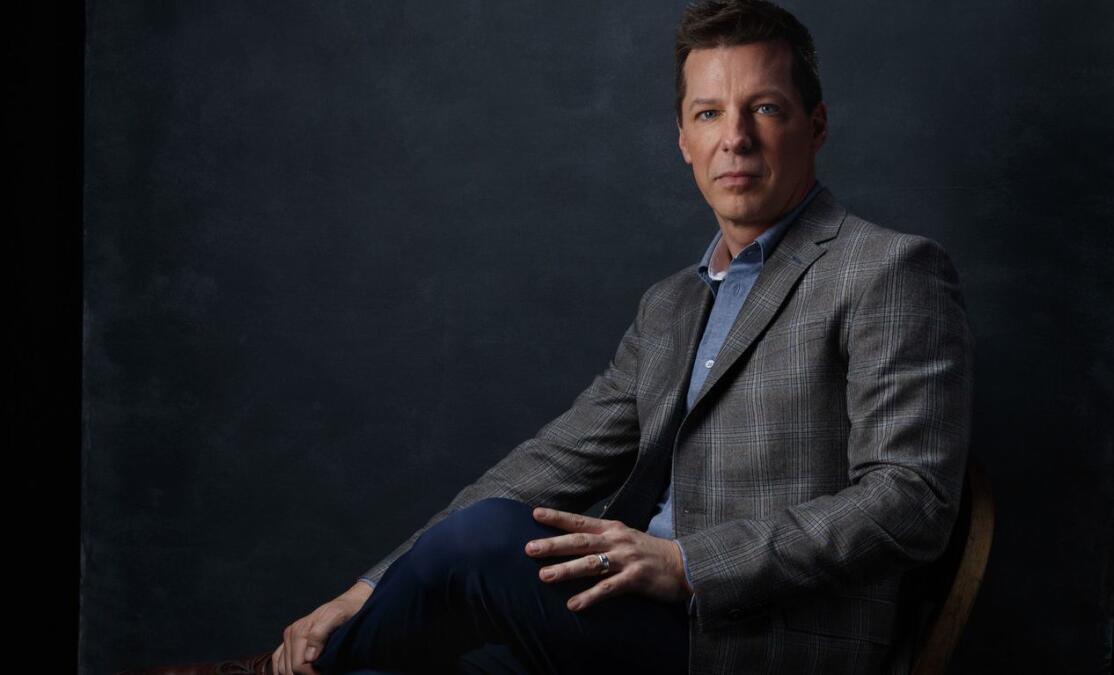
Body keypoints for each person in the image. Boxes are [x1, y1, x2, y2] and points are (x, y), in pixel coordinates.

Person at [120, 1, 973, 673]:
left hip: (764, 640)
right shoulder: (671, 304)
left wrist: (692, 565)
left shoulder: (887, 269)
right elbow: (550, 462)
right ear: (683, 140)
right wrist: (365, 586)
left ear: (815, 125)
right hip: (633, 626)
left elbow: (911, 502)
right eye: (710, 114)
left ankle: (260, 674)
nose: (736, 138)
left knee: (488, 541)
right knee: (425, 634)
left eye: (766, 109)